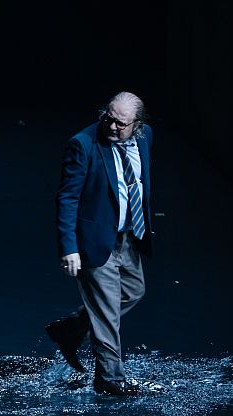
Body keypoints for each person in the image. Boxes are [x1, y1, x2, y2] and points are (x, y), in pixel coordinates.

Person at [46, 92, 154, 396]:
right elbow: (67, 197)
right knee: (106, 311)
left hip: (128, 235)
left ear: (138, 125)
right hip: (93, 241)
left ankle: (71, 329)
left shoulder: (145, 139)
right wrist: (69, 247)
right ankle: (109, 378)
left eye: (120, 123)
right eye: (108, 117)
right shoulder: (83, 144)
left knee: (134, 291)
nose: (112, 125)